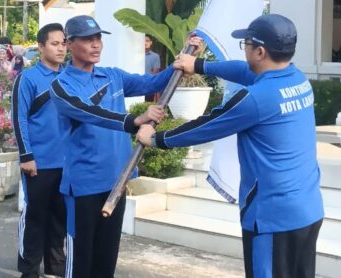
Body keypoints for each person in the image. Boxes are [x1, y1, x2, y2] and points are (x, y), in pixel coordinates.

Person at [137, 14, 323, 278]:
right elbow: (243, 70)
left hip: (272, 216)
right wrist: (198, 64)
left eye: (246, 44)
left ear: (259, 51)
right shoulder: (297, 79)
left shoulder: (255, 99)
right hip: (308, 209)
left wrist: (154, 138)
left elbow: (206, 126)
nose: (244, 49)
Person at [49, 15, 172, 278]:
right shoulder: (61, 86)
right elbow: (90, 112)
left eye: (98, 39)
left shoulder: (112, 76)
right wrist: (133, 121)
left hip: (116, 182)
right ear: (70, 44)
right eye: (87, 40)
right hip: (84, 186)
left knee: (106, 260)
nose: (96, 45)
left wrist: (185, 59)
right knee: (81, 261)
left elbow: (152, 83)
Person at [12, 23, 69, 278]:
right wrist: (26, 156)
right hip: (39, 162)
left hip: (66, 163)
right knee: (35, 219)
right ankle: (29, 270)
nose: (61, 48)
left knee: (60, 220)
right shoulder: (28, 78)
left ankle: (55, 270)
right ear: (41, 46)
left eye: (64, 43)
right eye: (55, 43)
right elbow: (19, 117)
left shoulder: (69, 77)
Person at [144, 36, 162, 102]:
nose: (145, 43)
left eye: (147, 41)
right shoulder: (135, 54)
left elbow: (155, 71)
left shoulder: (155, 56)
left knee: (148, 102)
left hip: (149, 83)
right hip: (136, 80)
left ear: (151, 43)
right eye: (143, 41)